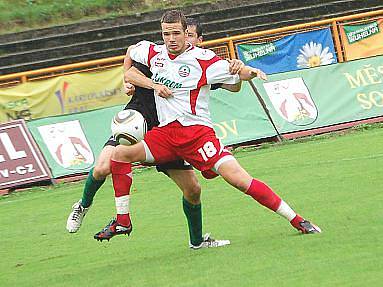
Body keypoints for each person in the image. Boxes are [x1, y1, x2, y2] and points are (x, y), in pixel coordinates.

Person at [94, 10, 321, 244]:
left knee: (239, 180)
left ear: (185, 33)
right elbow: (131, 58)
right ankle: (123, 221)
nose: (171, 39)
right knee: (119, 154)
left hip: (198, 137)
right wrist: (144, 83)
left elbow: (236, 75)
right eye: (166, 34)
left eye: (176, 33)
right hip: (165, 136)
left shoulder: (203, 59)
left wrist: (248, 71)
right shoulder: (155, 53)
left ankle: (297, 219)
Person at [66, 19, 246, 249]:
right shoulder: (158, 55)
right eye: (175, 34)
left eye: (189, 35)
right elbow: (131, 61)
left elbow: (232, 85)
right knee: (103, 167)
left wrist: (236, 71)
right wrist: (130, 81)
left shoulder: (199, 65)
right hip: (138, 119)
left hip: (171, 131)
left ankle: (198, 241)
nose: (179, 39)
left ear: (199, 41)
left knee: (193, 190)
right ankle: (82, 205)